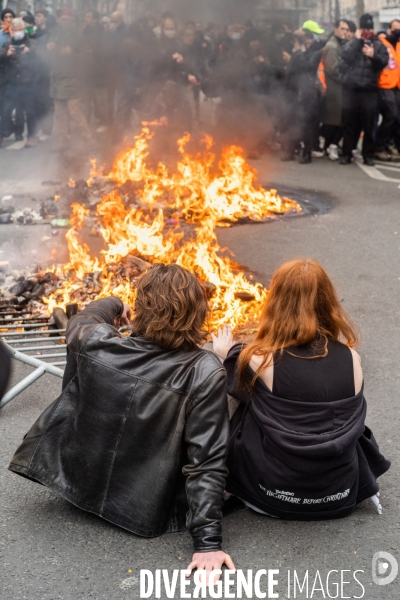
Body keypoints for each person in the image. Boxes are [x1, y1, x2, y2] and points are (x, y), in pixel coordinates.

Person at [9, 264, 234, 581]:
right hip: (142, 506)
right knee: (236, 395)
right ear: (197, 312)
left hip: (76, 480)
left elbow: (82, 318)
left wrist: (115, 303)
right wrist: (207, 544)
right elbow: (207, 459)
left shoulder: (96, 340)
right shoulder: (203, 369)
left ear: (141, 309)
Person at [212, 259, 391, 520]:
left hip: (270, 497)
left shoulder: (261, 359)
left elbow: (235, 379)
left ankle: (220, 482)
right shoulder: (352, 358)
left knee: (235, 387)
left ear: (276, 302)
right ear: (328, 301)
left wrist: (225, 353)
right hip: (340, 495)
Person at [340, 13, 388, 166]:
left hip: (370, 90)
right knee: (349, 123)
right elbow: (345, 56)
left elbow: (383, 62)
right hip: (351, 89)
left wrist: (373, 56)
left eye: (369, 28)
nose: (367, 31)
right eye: (364, 28)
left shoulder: (379, 45)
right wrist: (358, 41)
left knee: (369, 125)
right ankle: (347, 153)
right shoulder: (353, 43)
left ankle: (368, 155)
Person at [47, 8, 92, 151]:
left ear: (72, 21)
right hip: (57, 77)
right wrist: (48, 48)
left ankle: (87, 139)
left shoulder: (78, 35)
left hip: (73, 77)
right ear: (59, 20)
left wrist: (71, 53)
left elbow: (87, 56)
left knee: (74, 111)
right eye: (63, 19)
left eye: (68, 19)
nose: (65, 22)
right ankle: (63, 142)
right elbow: (46, 55)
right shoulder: (54, 33)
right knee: (60, 112)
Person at [0, 17, 38, 148]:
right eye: (15, 30)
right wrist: (7, 54)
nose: (18, 32)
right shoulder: (7, 44)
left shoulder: (32, 43)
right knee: (6, 110)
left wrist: (29, 51)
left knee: (30, 111)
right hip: (12, 82)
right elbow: (1, 59)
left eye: (20, 29)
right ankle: (1, 134)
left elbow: (40, 57)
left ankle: (31, 136)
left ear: (24, 30)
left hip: (28, 81)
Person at [321, 20, 350, 160]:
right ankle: (327, 145)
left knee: (336, 120)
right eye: (342, 29)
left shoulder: (338, 44)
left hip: (337, 88)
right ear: (335, 29)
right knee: (334, 120)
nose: (344, 32)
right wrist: (347, 78)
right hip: (334, 88)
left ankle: (328, 145)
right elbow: (332, 69)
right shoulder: (332, 46)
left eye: (346, 29)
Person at [375, 19, 400, 161]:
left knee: (395, 118)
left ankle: (384, 145)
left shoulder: (398, 45)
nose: (397, 32)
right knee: (391, 115)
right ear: (389, 30)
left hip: (396, 86)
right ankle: (379, 146)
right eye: (395, 29)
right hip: (384, 85)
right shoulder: (382, 45)